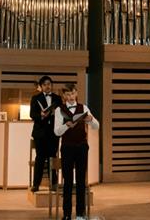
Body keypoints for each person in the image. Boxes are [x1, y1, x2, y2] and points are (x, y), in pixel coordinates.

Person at [54, 83, 99, 220]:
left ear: (76, 93)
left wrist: (90, 120)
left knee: (81, 180)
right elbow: (56, 132)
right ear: (64, 96)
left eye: (72, 93)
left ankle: (80, 213)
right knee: (67, 181)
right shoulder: (59, 110)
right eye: (67, 94)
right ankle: (67, 214)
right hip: (67, 147)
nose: (71, 97)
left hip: (81, 147)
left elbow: (96, 126)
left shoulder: (83, 108)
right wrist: (66, 125)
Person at [30, 75, 63, 192]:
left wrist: (56, 113)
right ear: (41, 86)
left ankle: (54, 184)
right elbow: (32, 114)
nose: (47, 86)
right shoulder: (36, 98)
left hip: (53, 133)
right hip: (40, 133)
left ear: (52, 85)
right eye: (44, 84)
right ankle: (36, 185)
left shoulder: (58, 98)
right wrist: (41, 115)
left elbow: (63, 115)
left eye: (49, 84)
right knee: (40, 158)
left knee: (52, 159)